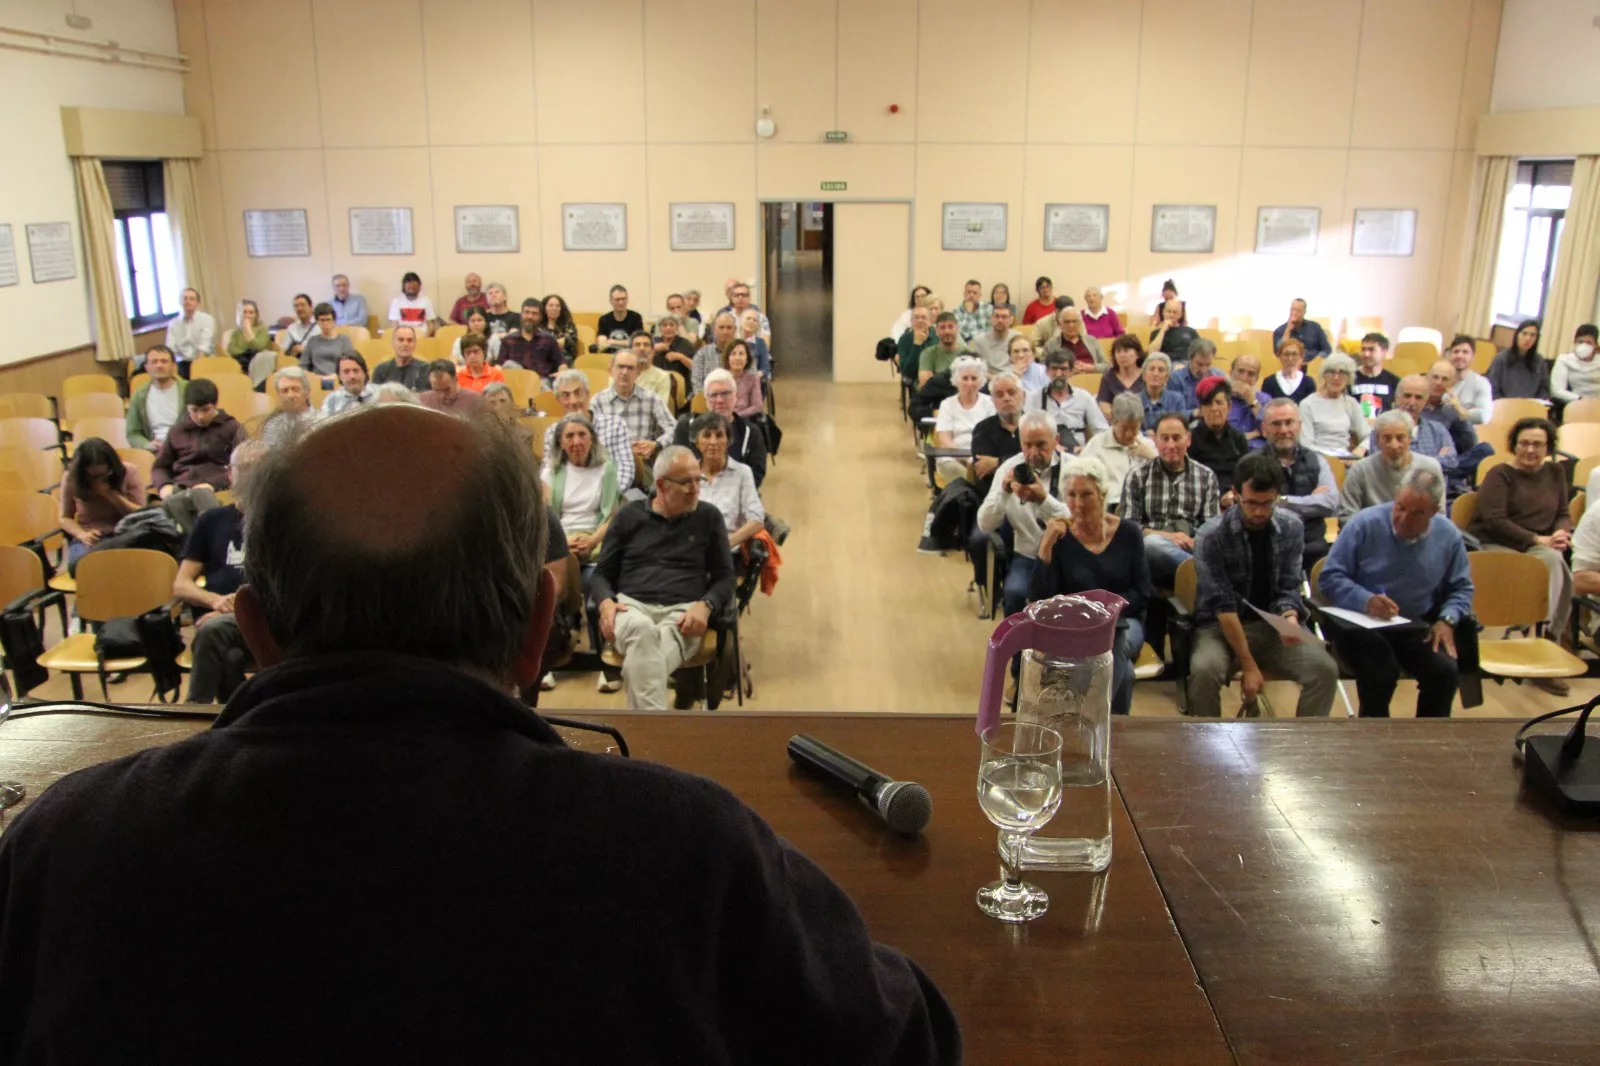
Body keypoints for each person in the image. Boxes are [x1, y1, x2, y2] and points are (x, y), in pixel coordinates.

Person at [0, 404, 961, 1062]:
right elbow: (905, 1042)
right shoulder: (686, 849)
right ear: (538, 634)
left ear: (251, 633)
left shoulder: (62, 846)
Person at [1187, 452, 1339, 718]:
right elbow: (1222, 606)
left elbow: (1289, 585)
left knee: (1324, 669)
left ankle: (1307, 745)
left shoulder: (1291, 527)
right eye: (1251, 503)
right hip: (1222, 627)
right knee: (1204, 670)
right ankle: (1204, 748)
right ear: (1235, 495)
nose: (1258, 512)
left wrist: (1289, 616)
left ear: (1278, 496)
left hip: (1271, 627)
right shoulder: (1210, 536)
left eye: (1267, 503)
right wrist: (1248, 664)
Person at [592, 445, 738, 710]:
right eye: (686, 482)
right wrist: (605, 603)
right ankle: (658, 743)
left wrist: (706, 606)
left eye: (698, 480)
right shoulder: (629, 516)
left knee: (645, 666)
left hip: (683, 616)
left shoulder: (708, 517)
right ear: (661, 485)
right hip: (630, 608)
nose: (696, 488)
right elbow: (601, 574)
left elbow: (726, 577)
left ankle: (644, 742)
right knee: (642, 631)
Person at [1319, 468, 1473, 718]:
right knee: (1382, 672)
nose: (1403, 518)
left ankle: (1428, 742)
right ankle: (1376, 742)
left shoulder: (1448, 535)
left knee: (1444, 671)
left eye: (1416, 513)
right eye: (1400, 507)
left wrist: (1447, 619)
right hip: (1361, 627)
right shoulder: (1364, 523)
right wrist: (1365, 600)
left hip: (1413, 625)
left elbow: (1462, 587)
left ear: (1434, 512)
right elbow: (1330, 578)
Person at [1032, 455, 1151, 715]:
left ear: (1102, 494)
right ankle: (1108, 728)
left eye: (1086, 495)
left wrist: (1106, 611)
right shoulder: (1060, 537)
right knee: (1125, 673)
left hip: (1125, 621)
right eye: (1071, 495)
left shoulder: (1129, 533)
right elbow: (1041, 598)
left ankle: (1086, 716)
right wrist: (1045, 548)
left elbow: (1143, 593)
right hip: (1076, 627)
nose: (1078, 504)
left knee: (1114, 640)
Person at [1469, 416, 1573, 694]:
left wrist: (1561, 533)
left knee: (1555, 558)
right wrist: (1538, 539)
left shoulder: (1556, 473)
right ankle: (1547, 637)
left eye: (1538, 444)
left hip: (1541, 544)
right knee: (1553, 559)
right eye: (1524, 443)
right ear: (1514, 445)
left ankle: (1545, 635)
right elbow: (1494, 520)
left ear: (1548, 447)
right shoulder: (1500, 473)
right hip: (1498, 544)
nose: (1530, 450)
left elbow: (1563, 513)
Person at [173, 441, 268, 704]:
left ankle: (194, 712)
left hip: (267, 618)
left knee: (212, 631)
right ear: (230, 473)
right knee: (230, 658)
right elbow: (181, 585)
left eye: (261, 469)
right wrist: (215, 601)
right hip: (224, 621)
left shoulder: (282, 520)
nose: (252, 475)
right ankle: (238, 721)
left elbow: (289, 588)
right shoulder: (211, 521)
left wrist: (236, 606)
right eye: (245, 468)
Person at [977, 412, 1070, 617]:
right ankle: (1015, 649)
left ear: (1056, 441)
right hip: (1028, 555)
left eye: (1041, 445)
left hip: (1069, 556)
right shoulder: (1008, 469)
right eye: (1027, 445)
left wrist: (1044, 500)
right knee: (1014, 594)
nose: (1033, 452)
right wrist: (1003, 492)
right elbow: (985, 524)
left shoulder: (1073, 468)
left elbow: (1080, 522)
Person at [1121, 413, 1221, 587]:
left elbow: (1211, 527)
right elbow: (1129, 527)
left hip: (1192, 545)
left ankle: (1194, 575)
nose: (1170, 445)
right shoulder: (1137, 476)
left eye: (1176, 438)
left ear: (1188, 439)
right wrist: (1166, 536)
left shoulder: (1206, 476)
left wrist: (1194, 542)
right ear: (1155, 441)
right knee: (1152, 545)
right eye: (1164, 438)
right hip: (1151, 549)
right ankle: (1200, 574)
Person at [152, 377, 247, 532]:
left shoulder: (232, 428)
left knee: (201, 499)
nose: (200, 416)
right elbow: (160, 466)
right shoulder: (177, 431)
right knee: (172, 504)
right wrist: (164, 485)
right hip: (182, 487)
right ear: (187, 408)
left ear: (215, 405)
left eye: (205, 410)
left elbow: (243, 466)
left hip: (217, 487)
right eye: (194, 411)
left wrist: (215, 483)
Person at [1258, 398, 1338, 566]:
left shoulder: (1317, 461)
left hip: (1315, 547)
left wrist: (1283, 501)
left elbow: (1330, 502)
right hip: (1270, 547)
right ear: (1264, 429)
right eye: (1276, 424)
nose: (1284, 430)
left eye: (1289, 423)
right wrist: (1311, 502)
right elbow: (1262, 508)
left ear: (1299, 426)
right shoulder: (1253, 464)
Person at [541, 412, 619, 563]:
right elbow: (544, 518)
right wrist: (564, 541)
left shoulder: (606, 469)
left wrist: (592, 541)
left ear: (592, 439)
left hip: (596, 536)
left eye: (582, 435)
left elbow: (612, 517)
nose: (576, 442)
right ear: (561, 443)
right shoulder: (550, 472)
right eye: (569, 436)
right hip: (561, 537)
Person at [672, 368, 768, 487]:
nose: (720, 400)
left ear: (736, 396)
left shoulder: (750, 432)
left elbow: (756, 475)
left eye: (726, 393)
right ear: (706, 400)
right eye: (713, 395)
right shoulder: (687, 426)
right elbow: (676, 466)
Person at [539, 368, 635, 488]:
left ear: (588, 394)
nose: (573, 401)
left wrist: (607, 496)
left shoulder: (615, 425)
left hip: (608, 495)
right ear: (558, 400)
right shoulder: (553, 432)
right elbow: (549, 472)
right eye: (566, 395)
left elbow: (626, 469)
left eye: (578, 393)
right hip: (569, 499)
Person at [1386, 373, 1477, 498]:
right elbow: (1388, 465)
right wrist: (1436, 459)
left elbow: (1451, 462)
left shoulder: (1438, 429)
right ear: (1397, 398)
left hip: (1435, 500)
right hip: (1394, 498)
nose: (1412, 402)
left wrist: (1409, 461)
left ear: (1425, 401)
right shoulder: (1383, 429)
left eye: (1418, 397)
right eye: (1407, 396)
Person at [1340, 411, 1445, 517]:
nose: (1394, 445)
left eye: (1400, 438)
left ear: (1409, 439)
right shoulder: (1360, 470)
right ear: (1377, 440)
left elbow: (1439, 516)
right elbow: (1347, 515)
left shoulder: (1430, 468)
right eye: (1387, 438)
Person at [592, 348, 678, 480]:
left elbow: (674, 429)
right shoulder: (597, 402)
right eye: (620, 367)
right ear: (611, 370)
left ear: (638, 373)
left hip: (644, 465)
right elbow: (590, 440)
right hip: (609, 465)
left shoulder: (651, 399)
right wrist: (622, 450)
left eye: (630, 368)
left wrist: (656, 445)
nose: (625, 372)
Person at [59, 439, 144, 570]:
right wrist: (81, 534)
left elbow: (141, 514)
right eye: (92, 476)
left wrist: (112, 495)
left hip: (125, 532)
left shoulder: (129, 471)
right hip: (91, 535)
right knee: (81, 566)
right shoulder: (71, 477)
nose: (98, 480)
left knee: (133, 564)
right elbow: (65, 517)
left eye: (102, 475)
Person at [693, 412, 765, 549]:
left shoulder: (742, 473)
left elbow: (756, 519)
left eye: (719, 435)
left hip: (728, 555)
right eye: (707, 436)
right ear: (697, 442)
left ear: (728, 441)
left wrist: (725, 545)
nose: (713, 442)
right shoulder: (688, 473)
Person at [1078, 392, 1157, 511]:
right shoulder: (1096, 445)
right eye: (1124, 428)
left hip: (1143, 506)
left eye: (1134, 428)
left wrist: (1151, 456)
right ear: (1113, 421)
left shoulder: (1147, 446)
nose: (1129, 434)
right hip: (1109, 506)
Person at [1024, 349, 1108, 450]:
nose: (1058, 374)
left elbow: (1101, 430)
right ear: (1047, 371)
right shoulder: (1035, 398)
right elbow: (1025, 430)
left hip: (1078, 452)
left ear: (1071, 371)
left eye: (1063, 369)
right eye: (1054, 369)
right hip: (1047, 452)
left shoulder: (1083, 397)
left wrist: (1087, 448)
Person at [933, 358, 996, 483]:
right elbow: (944, 438)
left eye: (974, 378)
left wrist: (974, 459)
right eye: (965, 378)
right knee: (959, 474)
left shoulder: (990, 403)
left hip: (981, 455)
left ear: (981, 381)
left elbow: (992, 436)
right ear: (956, 380)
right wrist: (963, 458)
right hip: (953, 455)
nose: (969, 383)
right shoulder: (947, 404)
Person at [1188, 377, 1253, 494]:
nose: (1214, 409)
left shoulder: (1238, 439)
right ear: (1201, 409)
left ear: (1229, 406)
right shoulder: (1190, 439)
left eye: (1219, 403)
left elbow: (1246, 476)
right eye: (1208, 404)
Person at [969, 371, 1026, 497]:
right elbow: (984, 470)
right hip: (995, 495)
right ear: (993, 400)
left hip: (1029, 493)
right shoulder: (983, 429)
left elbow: (1038, 463)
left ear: (1023, 395)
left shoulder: (1034, 425)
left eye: (1011, 392)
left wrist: (998, 462)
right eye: (999, 395)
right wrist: (1022, 461)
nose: (1006, 398)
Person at [1298, 354, 1368, 457]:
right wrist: (1333, 458)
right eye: (1331, 372)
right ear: (1324, 375)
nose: (1336, 378)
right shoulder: (1307, 404)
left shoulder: (1351, 403)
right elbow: (1306, 444)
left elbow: (1369, 435)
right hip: (1317, 459)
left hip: (1345, 458)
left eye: (1342, 373)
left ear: (1349, 378)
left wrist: (1360, 450)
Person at [126, 345, 187, 452]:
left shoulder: (188, 389)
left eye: (164, 361)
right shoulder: (139, 396)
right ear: (146, 367)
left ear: (173, 366)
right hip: (154, 451)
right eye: (154, 362)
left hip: (185, 448)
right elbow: (132, 433)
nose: (159, 365)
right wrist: (147, 444)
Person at [1487, 319, 1550, 401]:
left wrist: (1534, 403)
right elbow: (1493, 388)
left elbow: (1544, 389)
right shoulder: (1501, 358)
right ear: (1517, 335)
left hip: (1530, 408)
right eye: (1524, 334)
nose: (1528, 339)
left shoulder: (1540, 362)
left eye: (1532, 335)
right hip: (1503, 407)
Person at [499, 298, 562, 379]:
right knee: (509, 364)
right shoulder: (508, 340)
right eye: (527, 312)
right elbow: (499, 365)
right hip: (517, 383)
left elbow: (561, 362)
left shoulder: (549, 339)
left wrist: (562, 371)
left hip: (542, 382)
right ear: (521, 314)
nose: (530, 317)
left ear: (540, 317)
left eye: (534, 313)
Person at [1443, 333, 1493, 424]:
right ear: (1449, 355)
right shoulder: (1439, 378)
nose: (1460, 355)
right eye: (1456, 351)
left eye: (1465, 352)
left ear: (1472, 357)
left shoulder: (1481, 383)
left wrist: (1459, 410)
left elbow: (1484, 415)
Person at [261, 367, 317, 447]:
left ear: (307, 392)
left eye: (295, 389)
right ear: (278, 395)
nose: (290, 395)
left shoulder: (324, 422)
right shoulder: (273, 425)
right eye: (285, 391)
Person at [300, 302, 355, 382]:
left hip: (338, 380)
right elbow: (303, 365)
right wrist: (311, 377)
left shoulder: (344, 340)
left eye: (328, 320)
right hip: (316, 381)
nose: (325, 323)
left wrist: (337, 376)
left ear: (334, 320)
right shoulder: (312, 341)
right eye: (322, 320)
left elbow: (350, 363)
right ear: (317, 321)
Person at [165, 287, 216, 371]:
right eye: (185, 299)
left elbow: (204, 346)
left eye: (192, 299)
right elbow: (170, 349)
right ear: (180, 302)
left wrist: (197, 368)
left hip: (204, 360)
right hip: (183, 362)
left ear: (197, 303)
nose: (188, 302)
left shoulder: (207, 319)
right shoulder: (173, 324)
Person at [1168, 337, 1222, 414]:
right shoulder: (1176, 379)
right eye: (1199, 364)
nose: (1204, 370)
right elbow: (1173, 413)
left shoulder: (1219, 377)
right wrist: (1195, 413)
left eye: (1208, 364)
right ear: (1190, 358)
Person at [1096, 334, 1145, 418]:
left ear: (1137, 354)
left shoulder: (1146, 375)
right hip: (1117, 423)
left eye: (1126, 351)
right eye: (1118, 351)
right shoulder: (1108, 377)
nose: (1122, 355)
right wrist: (1122, 422)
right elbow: (1104, 405)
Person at [1042, 307, 1106, 372]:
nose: (1071, 325)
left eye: (1075, 321)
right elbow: (1044, 369)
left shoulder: (1092, 340)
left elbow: (1107, 366)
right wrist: (1068, 370)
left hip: (1091, 377)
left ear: (1080, 323)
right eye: (1067, 322)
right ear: (1060, 324)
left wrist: (1091, 368)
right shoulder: (1051, 345)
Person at [371, 325, 432, 393]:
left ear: (415, 344)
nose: (405, 344)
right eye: (401, 340)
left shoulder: (425, 369)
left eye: (410, 340)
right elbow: (375, 398)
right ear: (393, 342)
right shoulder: (381, 369)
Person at [1351, 333, 1401, 415]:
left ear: (1384, 352)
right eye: (1363, 349)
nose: (1366, 354)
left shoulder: (1394, 382)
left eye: (1371, 350)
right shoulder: (1350, 379)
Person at [1137, 352, 1188, 431]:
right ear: (1144, 375)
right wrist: (1145, 435)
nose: (1155, 373)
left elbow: (1181, 428)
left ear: (1167, 377)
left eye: (1161, 370)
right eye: (1151, 369)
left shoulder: (1177, 399)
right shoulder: (1134, 400)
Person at [1551, 323, 1600, 404]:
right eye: (1580, 342)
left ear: (1595, 345)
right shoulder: (1565, 359)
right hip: (1576, 403)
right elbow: (1557, 390)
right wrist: (1580, 399)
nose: (1584, 346)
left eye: (1588, 343)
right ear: (1574, 342)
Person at [1225, 354, 1272, 440]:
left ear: (1256, 379)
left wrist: (1253, 402)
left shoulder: (1265, 399)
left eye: (1250, 374)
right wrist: (1255, 433)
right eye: (1240, 371)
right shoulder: (1221, 399)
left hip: (1258, 450)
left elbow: (1271, 430)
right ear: (1230, 373)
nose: (1244, 378)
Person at [419, 358, 484, 416]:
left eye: (446, 390)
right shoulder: (423, 400)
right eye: (436, 391)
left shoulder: (475, 401)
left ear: (455, 379)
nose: (442, 395)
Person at [1260, 336, 1316, 404]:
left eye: (1294, 354)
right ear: (1279, 357)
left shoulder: (1308, 383)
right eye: (1286, 354)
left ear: (1301, 357)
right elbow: (1264, 409)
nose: (1290, 359)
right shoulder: (1269, 382)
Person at [692, 312, 738, 394]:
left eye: (729, 327)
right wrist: (714, 399)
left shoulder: (744, 353)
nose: (725, 331)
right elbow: (697, 384)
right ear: (714, 330)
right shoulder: (702, 354)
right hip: (707, 401)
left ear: (735, 330)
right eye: (721, 327)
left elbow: (750, 383)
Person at [226, 299, 273, 377]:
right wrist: (246, 352)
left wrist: (248, 331)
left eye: (251, 312)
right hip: (240, 363)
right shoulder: (236, 332)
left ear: (256, 314)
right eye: (245, 312)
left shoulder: (262, 329)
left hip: (260, 363)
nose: (247, 315)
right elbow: (231, 349)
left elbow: (260, 347)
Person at [654, 308, 698, 389]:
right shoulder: (653, 343)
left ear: (677, 328)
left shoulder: (685, 343)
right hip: (656, 384)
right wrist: (653, 350)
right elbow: (640, 362)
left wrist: (681, 357)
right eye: (664, 325)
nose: (668, 328)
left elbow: (696, 367)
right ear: (660, 328)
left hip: (679, 386)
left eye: (671, 325)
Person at [919, 312, 967, 385]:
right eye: (942, 328)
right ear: (936, 331)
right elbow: (926, 385)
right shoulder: (928, 354)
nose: (947, 331)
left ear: (957, 329)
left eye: (950, 327)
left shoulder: (967, 353)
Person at [971, 306, 1021, 375]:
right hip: (989, 379)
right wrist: (993, 379)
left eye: (1004, 317)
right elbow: (976, 367)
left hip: (1013, 377)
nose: (1000, 320)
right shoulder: (979, 340)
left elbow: (1023, 363)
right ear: (991, 319)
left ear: (1011, 320)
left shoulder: (1018, 338)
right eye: (997, 316)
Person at [897, 305, 935, 391]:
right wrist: (917, 344)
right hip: (915, 379)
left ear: (930, 321)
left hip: (937, 377)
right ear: (911, 321)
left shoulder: (938, 336)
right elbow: (907, 372)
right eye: (916, 317)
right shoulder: (904, 339)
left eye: (923, 317)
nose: (919, 320)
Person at [596, 284, 645, 351]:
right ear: (611, 301)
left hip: (631, 357)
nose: (621, 302)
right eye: (617, 299)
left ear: (627, 300)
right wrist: (627, 342)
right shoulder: (604, 319)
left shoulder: (636, 317)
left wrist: (612, 342)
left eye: (623, 299)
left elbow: (638, 342)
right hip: (609, 357)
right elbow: (601, 343)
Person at [482, 383, 531, 448]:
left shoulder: (524, 434)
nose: (498, 407)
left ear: (512, 405)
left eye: (503, 401)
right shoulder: (477, 434)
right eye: (492, 402)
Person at [725, 340, 764, 418]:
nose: (737, 357)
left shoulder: (753, 379)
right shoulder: (720, 378)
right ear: (728, 358)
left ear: (747, 359)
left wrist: (736, 417)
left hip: (745, 420)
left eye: (741, 354)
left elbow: (757, 406)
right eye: (733, 354)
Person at [277, 293, 317, 365]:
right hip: (294, 362)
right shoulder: (292, 328)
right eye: (296, 306)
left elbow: (325, 350)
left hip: (314, 362)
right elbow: (283, 349)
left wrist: (305, 350)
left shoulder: (320, 326)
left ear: (311, 307)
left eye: (302, 305)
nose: (299, 308)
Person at [541, 293, 581, 363]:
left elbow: (572, 344)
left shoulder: (568, 325)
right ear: (544, 308)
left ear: (561, 309)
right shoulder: (539, 326)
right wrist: (559, 342)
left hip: (564, 360)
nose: (554, 308)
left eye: (557, 306)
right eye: (551, 306)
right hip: (543, 361)